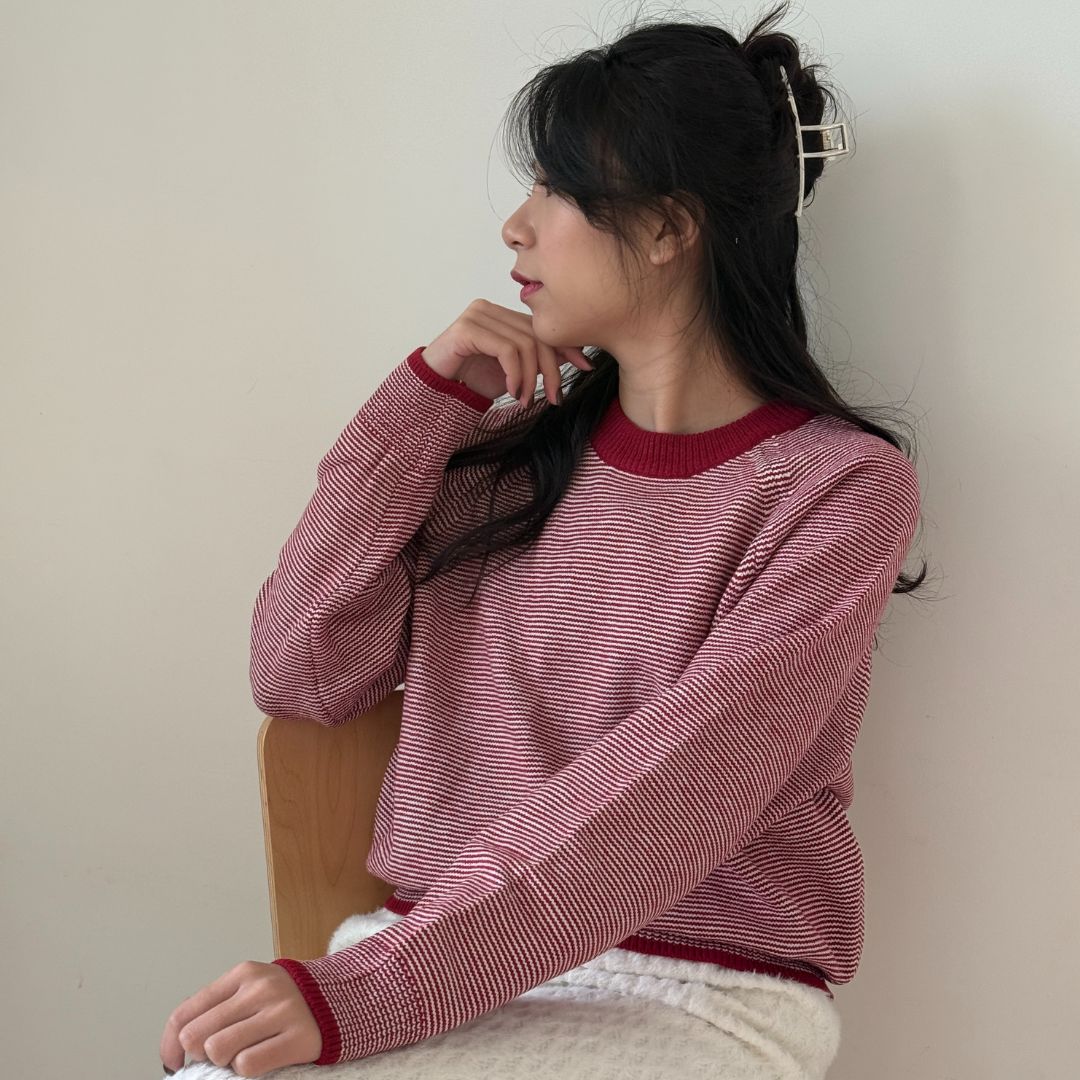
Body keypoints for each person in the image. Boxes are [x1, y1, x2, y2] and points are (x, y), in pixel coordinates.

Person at [160, 3, 929, 1076]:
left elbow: (674, 796)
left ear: (666, 229)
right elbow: (299, 673)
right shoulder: (499, 466)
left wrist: (362, 997)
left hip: (696, 995)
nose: (516, 227)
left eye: (556, 189)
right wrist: (421, 406)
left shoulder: (835, 489)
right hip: (429, 961)